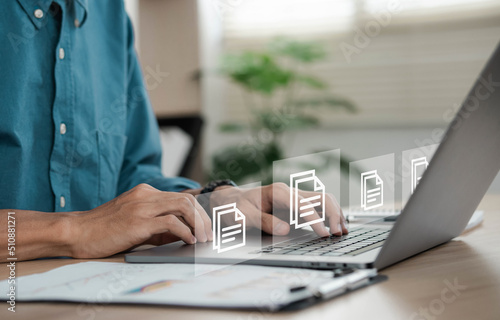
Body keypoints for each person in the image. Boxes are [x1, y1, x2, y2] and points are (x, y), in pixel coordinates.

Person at [0, 0, 348, 262]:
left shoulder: (110, 15)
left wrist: (215, 201)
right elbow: (98, 222)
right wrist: (75, 230)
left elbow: (134, 177)